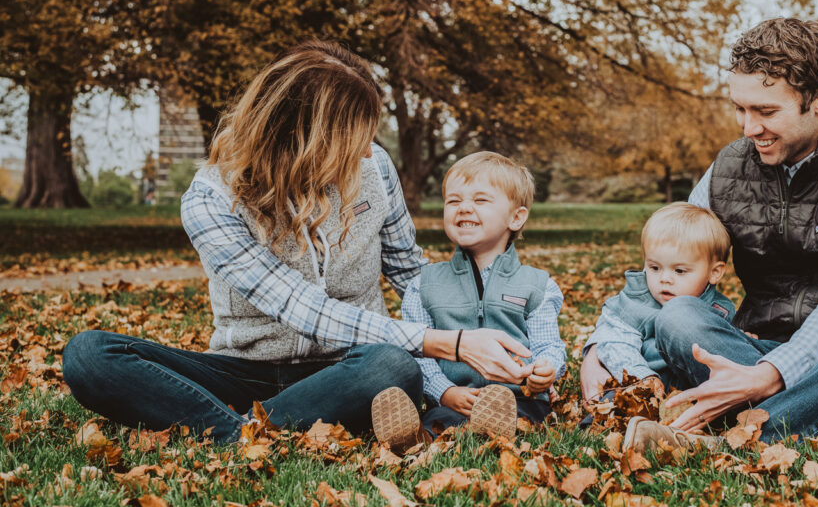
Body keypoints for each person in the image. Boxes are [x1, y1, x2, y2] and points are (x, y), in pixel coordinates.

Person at [61, 40, 532, 442]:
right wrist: (447, 343)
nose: (368, 150)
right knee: (89, 355)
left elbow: (410, 273)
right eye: (356, 136)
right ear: (308, 138)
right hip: (240, 372)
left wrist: (482, 332)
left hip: (349, 368)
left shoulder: (375, 169)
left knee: (392, 367)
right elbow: (301, 308)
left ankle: (232, 431)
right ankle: (243, 433)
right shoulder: (211, 199)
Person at [582, 18, 818, 449]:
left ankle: (745, 436)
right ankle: (802, 415)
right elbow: (671, 253)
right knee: (678, 315)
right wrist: (601, 345)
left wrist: (770, 375)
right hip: (758, 351)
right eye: (740, 109)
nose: (748, 128)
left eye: (765, 112)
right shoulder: (729, 167)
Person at [374, 152, 567, 449]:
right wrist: (445, 391)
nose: (464, 208)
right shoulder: (424, 286)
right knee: (440, 420)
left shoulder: (538, 285)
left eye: (480, 200)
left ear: (516, 217)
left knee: (517, 413)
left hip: (519, 399)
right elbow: (419, 353)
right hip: (455, 400)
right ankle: (409, 437)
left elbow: (548, 346)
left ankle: (491, 427)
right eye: (454, 201)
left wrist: (546, 370)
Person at [585, 202, 734, 396]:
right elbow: (616, 344)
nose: (664, 279)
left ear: (714, 272)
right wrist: (642, 377)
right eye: (655, 268)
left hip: (692, 390)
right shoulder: (635, 303)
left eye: (679, 271)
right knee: (613, 398)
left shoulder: (720, 309)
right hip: (637, 386)